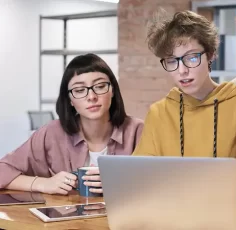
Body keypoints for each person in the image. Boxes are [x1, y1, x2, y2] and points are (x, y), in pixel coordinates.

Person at [133, 10, 236, 210]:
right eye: (172, 61)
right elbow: (139, 176)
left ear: (210, 54)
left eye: (191, 58)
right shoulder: (158, 113)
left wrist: (208, 199)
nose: (182, 70)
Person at [0, 53, 144, 195]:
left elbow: (162, 181)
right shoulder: (52, 133)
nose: (92, 97)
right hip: (66, 217)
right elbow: (2, 170)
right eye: (79, 90)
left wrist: (121, 181)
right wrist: (43, 183)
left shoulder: (138, 131)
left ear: (112, 90)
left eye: (100, 86)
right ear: (70, 100)